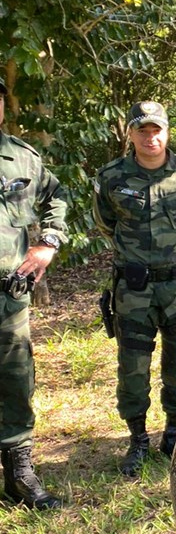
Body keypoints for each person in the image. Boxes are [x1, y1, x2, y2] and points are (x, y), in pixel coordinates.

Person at [93, 101, 176, 476]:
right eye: (142, 130)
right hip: (134, 289)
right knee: (132, 367)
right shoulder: (111, 177)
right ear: (130, 134)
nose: (151, 137)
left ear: (167, 131)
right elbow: (107, 223)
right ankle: (138, 438)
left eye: (157, 129)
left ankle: (174, 430)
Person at [0, 77, 68, 509]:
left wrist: (48, 242)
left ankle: (19, 475)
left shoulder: (21, 158)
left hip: (7, 296)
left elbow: (56, 197)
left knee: (15, 381)